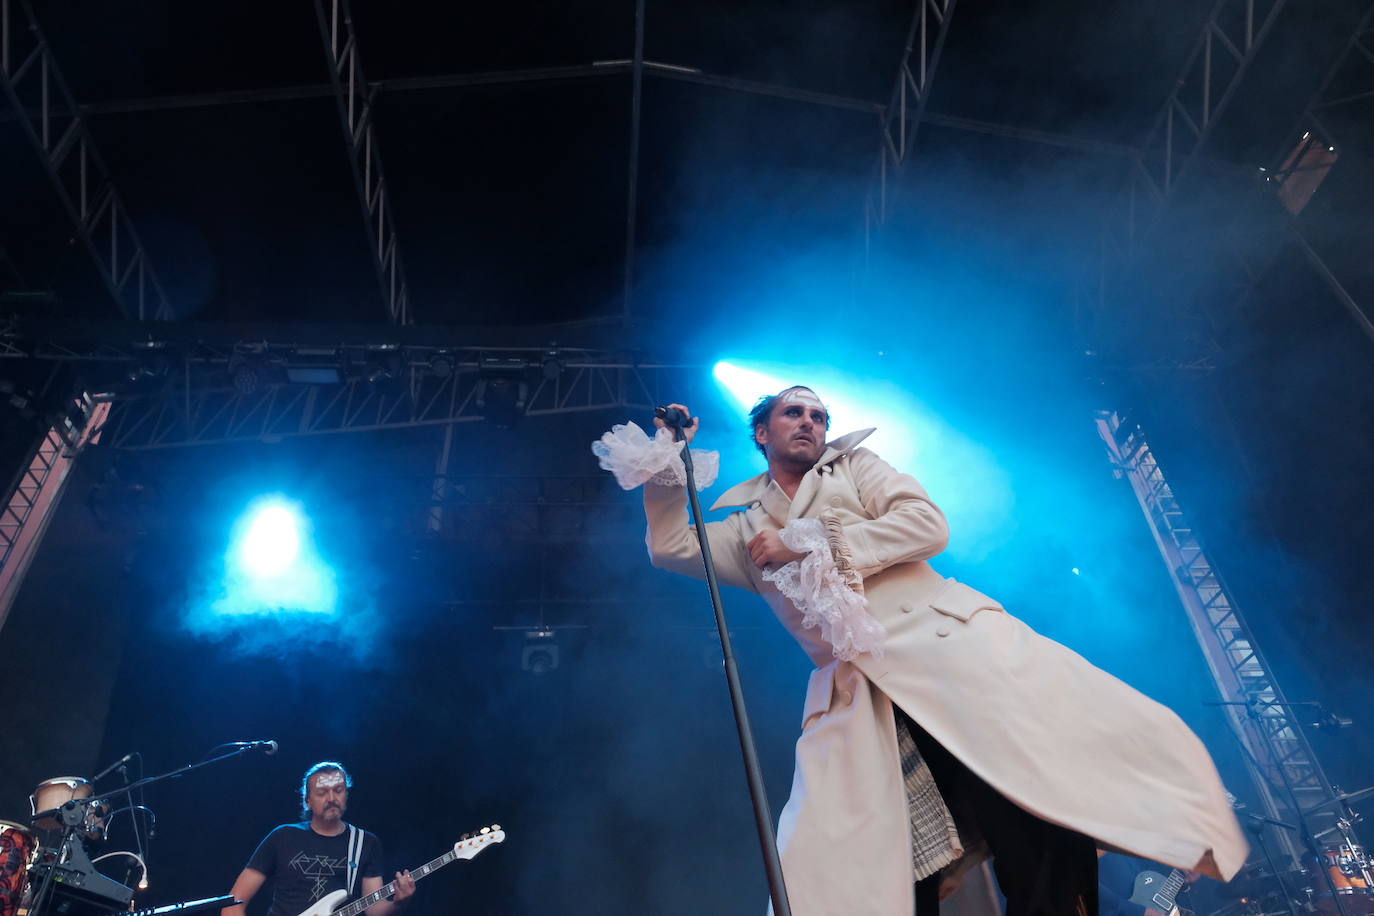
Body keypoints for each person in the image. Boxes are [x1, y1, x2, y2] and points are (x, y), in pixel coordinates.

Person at [592, 387, 1248, 916]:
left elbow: (926, 525)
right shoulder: (743, 525)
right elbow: (672, 545)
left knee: (1028, 805)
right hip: (866, 696)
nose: (811, 422)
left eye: (820, 414)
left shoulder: (858, 468)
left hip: (954, 660)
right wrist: (670, 461)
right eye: (794, 411)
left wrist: (814, 540)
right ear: (761, 433)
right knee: (871, 858)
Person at [221, 762, 414, 916]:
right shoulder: (282, 837)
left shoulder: (365, 842)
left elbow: (374, 910)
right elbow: (232, 903)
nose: (331, 798)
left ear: (346, 794)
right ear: (307, 800)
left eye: (338, 790)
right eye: (322, 792)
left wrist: (399, 902)